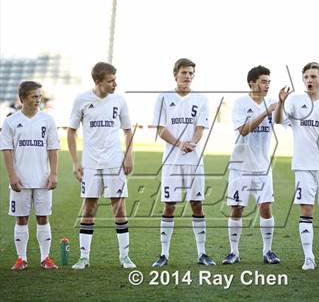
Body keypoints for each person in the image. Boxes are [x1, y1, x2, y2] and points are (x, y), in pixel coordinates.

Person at [275, 62, 319, 270]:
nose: (309, 80)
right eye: (306, 77)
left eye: (313, 76)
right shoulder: (295, 101)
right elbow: (278, 120)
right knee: (306, 209)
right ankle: (309, 257)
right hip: (303, 165)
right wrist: (280, 103)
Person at [68, 62, 136, 269]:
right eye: (111, 80)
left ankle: (125, 257)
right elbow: (71, 131)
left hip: (114, 163)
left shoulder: (119, 100)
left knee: (119, 207)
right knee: (89, 207)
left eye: (115, 79)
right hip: (90, 164)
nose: (115, 84)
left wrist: (128, 155)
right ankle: (84, 257)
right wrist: (75, 162)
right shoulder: (82, 100)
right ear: (98, 82)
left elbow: (127, 130)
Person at [151, 58, 215, 267]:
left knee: (197, 204)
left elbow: (200, 128)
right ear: (175, 74)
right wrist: (180, 144)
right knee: (169, 205)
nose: (188, 77)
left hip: (194, 161)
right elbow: (160, 129)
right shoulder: (163, 98)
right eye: (184, 73)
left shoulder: (201, 99)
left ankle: (202, 253)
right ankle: (164, 254)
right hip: (172, 161)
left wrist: (192, 143)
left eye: (191, 73)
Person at [222, 65, 281, 265]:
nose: (267, 85)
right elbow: (244, 130)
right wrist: (265, 112)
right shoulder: (240, 103)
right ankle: (234, 252)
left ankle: (268, 251)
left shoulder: (273, 102)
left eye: (268, 82)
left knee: (265, 207)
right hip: (240, 166)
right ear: (252, 83)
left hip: (262, 166)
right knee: (237, 208)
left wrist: (280, 104)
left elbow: (280, 119)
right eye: (263, 81)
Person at [0, 81, 60, 270]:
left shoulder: (48, 120)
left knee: (43, 217)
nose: (38, 100)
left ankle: (45, 258)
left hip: (42, 179)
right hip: (21, 180)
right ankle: (21, 258)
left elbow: (53, 148)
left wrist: (53, 173)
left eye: (39, 96)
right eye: (34, 96)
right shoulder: (11, 121)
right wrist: (12, 176)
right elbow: (7, 150)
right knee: (21, 218)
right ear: (23, 98)